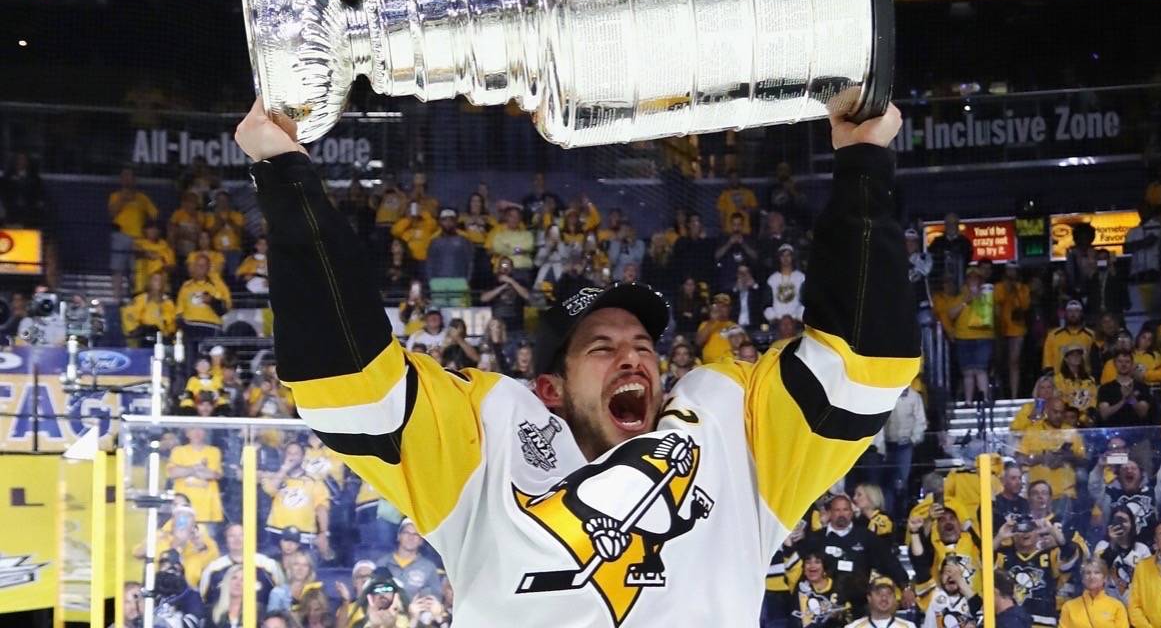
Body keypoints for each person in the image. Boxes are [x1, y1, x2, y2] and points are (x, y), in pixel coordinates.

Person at [235, 97, 918, 625]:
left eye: (645, 347)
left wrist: (862, 161)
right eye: (603, 347)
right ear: (549, 388)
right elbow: (347, 385)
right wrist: (286, 177)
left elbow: (863, 363)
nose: (635, 359)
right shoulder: (490, 441)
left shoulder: (728, 435)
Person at [994, 517, 1081, 625]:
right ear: (1013, 533)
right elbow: (983, 560)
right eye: (1020, 529)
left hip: (1043, 622)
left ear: (1038, 532)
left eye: (1030, 528)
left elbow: (1071, 554)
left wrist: (1053, 532)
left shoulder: (1050, 555)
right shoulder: (1003, 556)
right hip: (1011, 622)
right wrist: (1000, 537)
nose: (1025, 533)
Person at [260, 442, 331, 557]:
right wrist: (284, 469)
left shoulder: (314, 481)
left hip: (305, 534)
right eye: (289, 453)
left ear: (303, 457)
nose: (292, 456)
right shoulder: (275, 476)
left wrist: (323, 532)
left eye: (296, 453)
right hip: (277, 532)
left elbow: (321, 507)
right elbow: (270, 490)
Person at [199, 523, 284, 609]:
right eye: (232, 536)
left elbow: (281, 596)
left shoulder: (268, 565)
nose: (237, 539)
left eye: (241, 535)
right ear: (226, 540)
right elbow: (204, 600)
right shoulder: (213, 568)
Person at [109, 166, 159, 298]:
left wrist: (147, 228)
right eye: (124, 176)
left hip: (138, 238)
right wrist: (123, 199)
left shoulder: (142, 198)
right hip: (120, 236)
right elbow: (112, 213)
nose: (127, 179)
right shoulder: (115, 196)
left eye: (130, 176)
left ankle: (135, 298)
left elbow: (154, 215)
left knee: (135, 271)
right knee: (118, 269)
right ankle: (117, 298)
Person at [947, 263, 994, 403]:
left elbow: (993, 315)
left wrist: (981, 298)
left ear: (981, 280)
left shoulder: (988, 294)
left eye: (976, 278)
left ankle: (985, 400)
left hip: (983, 338)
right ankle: (968, 402)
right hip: (963, 338)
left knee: (981, 370)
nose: (973, 280)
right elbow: (950, 314)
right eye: (970, 278)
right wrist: (965, 302)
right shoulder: (960, 296)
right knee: (967, 372)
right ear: (966, 280)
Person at [883, 381, 927, 515]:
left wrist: (912, 440)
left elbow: (921, 422)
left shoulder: (915, 397)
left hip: (904, 446)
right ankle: (889, 514)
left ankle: (902, 514)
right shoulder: (886, 396)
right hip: (886, 445)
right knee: (887, 482)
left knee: (901, 480)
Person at [375, 518, 444, 602]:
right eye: (406, 533)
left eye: (416, 534)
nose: (411, 537)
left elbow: (435, 598)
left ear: (421, 541)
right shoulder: (382, 563)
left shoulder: (429, 567)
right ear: (399, 536)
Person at [1094, 505, 1152, 603]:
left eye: (1124, 521)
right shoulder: (1102, 546)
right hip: (1108, 604)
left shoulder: (1142, 549)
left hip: (1135, 604)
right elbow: (1097, 572)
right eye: (1116, 521)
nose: (1120, 525)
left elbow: (1149, 580)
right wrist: (1112, 544)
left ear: (1132, 524)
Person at [994, 261, 1030, 400]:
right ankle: (1001, 393)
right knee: (999, 362)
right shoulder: (999, 287)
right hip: (1000, 329)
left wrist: (1016, 290)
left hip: (1017, 329)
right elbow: (997, 301)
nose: (1011, 273)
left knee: (1014, 362)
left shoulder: (1023, 288)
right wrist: (1008, 289)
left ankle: (1014, 395)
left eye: (1014, 270)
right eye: (1009, 270)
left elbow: (1025, 306)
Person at [1059, 557, 1130, 628]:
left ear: (1105, 578)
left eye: (1097, 572)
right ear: (1083, 579)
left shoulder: (1117, 607)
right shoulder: (1069, 607)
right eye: (1088, 573)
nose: (1092, 577)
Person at [426, 207, 474, 304]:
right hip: (438, 283)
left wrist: (466, 281)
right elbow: (429, 263)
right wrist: (431, 282)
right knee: (439, 313)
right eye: (444, 220)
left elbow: (470, 262)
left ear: (456, 222)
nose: (448, 223)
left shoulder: (464, 241)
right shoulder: (434, 242)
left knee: (460, 314)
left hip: (460, 282)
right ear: (440, 222)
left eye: (451, 219)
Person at [1096, 351, 1153, 429]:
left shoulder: (1142, 387)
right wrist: (1123, 401)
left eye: (1127, 362)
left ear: (1132, 364)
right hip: (1113, 434)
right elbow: (1104, 414)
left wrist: (1131, 398)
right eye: (1120, 361)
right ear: (1114, 364)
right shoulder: (1106, 388)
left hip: (1137, 433)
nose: (1123, 365)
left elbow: (1143, 413)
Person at [152, 548, 206, 628]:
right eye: (162, 563)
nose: (168, 567)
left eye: (175, 565)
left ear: (180, 568)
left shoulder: (192, 595)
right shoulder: (152, 593)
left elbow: (192, 623)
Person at [121, 270, 177, 346]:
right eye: (156, 280)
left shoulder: (168, 303)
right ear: (149, 283)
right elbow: (130, 319)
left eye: (161, 280)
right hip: (143, 339)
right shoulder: (139, 300)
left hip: (163, 340)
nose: (159, 283)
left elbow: (171, 326)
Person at [922, 558, 980, 628]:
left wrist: (960, 581)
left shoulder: (971, 600)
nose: (951, 576)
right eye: (947, 571)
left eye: (955, 572)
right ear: (940, 576)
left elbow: (984, 615)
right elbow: (920, 564)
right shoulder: (931, 595)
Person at [481, 255, 531, 333]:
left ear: (512, 268)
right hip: (498, 323)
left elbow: (527, 296)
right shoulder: (492, 281)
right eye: (503, 265)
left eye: (508, 265)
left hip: (516, 323)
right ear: (499, 267)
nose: (505, 268)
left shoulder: (519, 282)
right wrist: (502, 287)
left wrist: (511, 282)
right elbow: (483, 298)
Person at [1042, 300, 1096, 370]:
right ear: (1065, 314)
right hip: (1059, 378)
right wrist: (1049, 373)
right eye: (1070, 311)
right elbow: (1047, 358)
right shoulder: (1053, 335)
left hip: (1084, 378)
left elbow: (1095, 359)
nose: (1073, 314)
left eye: (1076, 311)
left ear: (1081, 313)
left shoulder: (1091, 335)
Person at [845, 579, 916, 628]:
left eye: (889, 594)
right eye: (879, 593)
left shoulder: (909, 626)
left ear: (894, 598)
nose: (884, 598)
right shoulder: (853, 627)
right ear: (869, 598)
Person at [927, 214, 972, 291]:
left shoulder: (965, 242)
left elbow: (967, 260)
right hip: (940, 286)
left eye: (954, 223)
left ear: (957, 225)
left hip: (959, 283)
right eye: (948, 223)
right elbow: (931, 260)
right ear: (945, 225)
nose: (951, 226)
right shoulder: (937, 242)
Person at [765, 244, 805, 323]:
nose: (785, 258)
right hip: (777, 322)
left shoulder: (801, 277)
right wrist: (773, 318)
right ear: (779, 258)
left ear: (792, 257)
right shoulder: (772, 279)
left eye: (788, 255)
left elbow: (805, 301)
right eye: (782, 256)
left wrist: (798, 317)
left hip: (797, 321)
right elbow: (766, 303)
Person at [204, 563, 244, 628]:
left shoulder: (258, 612)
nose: (238, 583)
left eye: (243, 580)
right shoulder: (211, 612)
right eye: (234, 578)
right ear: (227, 581)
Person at [993, 462, 1031, 527]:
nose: (1018, 482)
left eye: (1020, 478)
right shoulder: (995, 504)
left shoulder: (1026, 504)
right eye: (1013, 478)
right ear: (1003, 481)